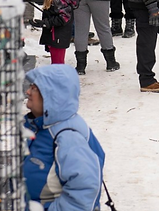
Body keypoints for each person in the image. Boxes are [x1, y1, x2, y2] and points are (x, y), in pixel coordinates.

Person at [23, 65, 105, 210]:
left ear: (52, 95)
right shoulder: (40, 126)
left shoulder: (68, 137)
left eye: (34, 88)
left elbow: (84, 193)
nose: (27, 92)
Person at [33, 0, 77, 65]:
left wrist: (45, 23)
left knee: (58, 64)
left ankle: (59, 79)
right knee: (56, 62)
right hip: (55, 34)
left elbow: (63, 18)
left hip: (58, 35)